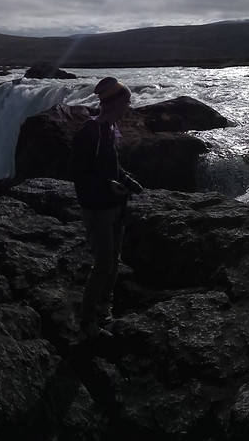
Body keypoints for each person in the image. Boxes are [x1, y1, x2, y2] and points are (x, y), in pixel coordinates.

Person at [68, 76, 143, 338]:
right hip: (97, 208)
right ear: (114, 104)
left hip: (115, 205)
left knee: (114, 261)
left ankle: (104, 307)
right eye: (126, 102)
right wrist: (108, 186)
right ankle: (88, 322)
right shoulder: (88, 133)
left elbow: (111, 165)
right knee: (102, 263)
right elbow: (80, 173)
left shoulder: (109, 129)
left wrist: (126, 180)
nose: (128, 108)